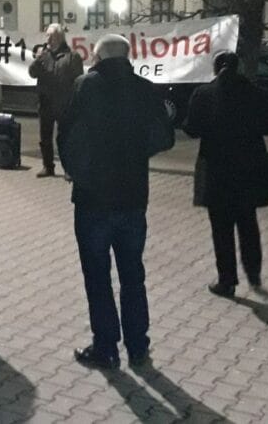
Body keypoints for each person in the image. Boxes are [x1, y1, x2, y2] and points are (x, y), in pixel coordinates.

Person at [57, 34, 174, 370]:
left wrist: (76, 170)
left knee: (97, 276)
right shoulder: (144, 89)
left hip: (93, 198)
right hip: (133, 196)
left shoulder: (84, 87)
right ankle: (138, 346)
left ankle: (106, 346)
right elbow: (163, 137)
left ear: (97, 56)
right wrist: (135, 152)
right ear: (127, 56)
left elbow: (65, 134)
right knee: (133, 274)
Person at [183, 52, 268, 298]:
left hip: (217, 169)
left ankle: (227, 281)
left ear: (216, 69)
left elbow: (191, 129)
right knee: (248, 223)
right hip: (249, 168)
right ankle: (254, 273)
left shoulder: (204, 94)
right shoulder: (256, 93)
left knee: (221, 228)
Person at [29, 22, 84, 178]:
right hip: (45, 102)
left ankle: (68, 168)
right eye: (47, 35)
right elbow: (32, 73)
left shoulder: (72, 56)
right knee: (45, 137)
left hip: (64, 103)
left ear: (60, 37)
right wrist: (37, 60)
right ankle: (48, 166)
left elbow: (78, 80)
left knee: (64, 138)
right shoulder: (44, 55)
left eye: (51, 36)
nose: (48, 39)